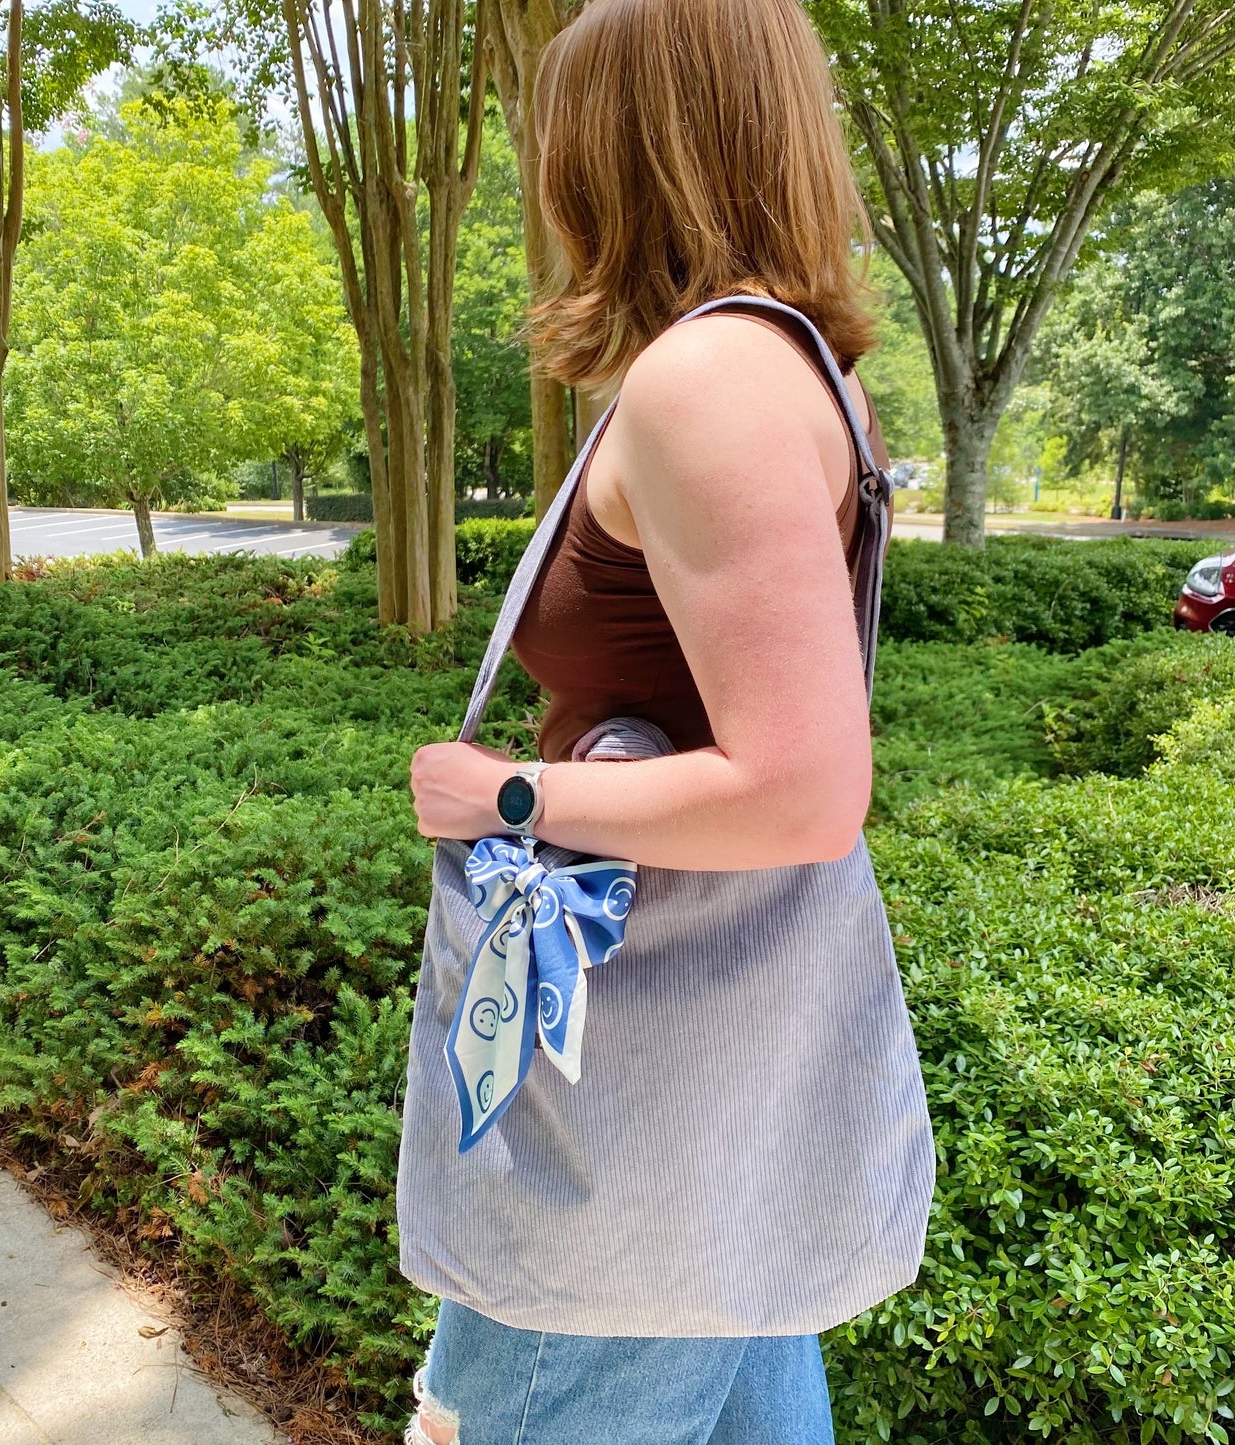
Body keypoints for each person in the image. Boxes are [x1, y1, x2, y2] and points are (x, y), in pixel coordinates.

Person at [398, 0, 936, 1438]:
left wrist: (505, 794)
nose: (547, 178)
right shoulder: (785, 371)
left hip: (638, 1099)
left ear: (621, 152)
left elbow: (802, 790)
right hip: (694, 1094)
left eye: (560, 139)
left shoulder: (709, 380)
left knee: (543, 1380)